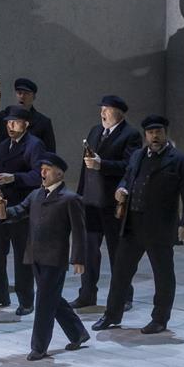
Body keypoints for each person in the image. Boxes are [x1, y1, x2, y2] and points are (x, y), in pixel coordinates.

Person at [100, 115, 184, 334]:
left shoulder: (180, 160)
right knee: (121, 272)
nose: (155, 136)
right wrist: (121, 188)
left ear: (165, 133)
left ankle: (160, 319)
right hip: (133, 225)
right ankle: (112, 314)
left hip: (160, 227)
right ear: (145, 135)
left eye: (158, 132)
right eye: (151, 133)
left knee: (163, 275)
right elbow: (128, 177)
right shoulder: (137, 155)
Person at [0, 152, 90, 361]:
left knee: (44, 302)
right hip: (35, 255)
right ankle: (78, 333)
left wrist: (79, 258)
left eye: (47, 170)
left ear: (59, 174)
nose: (42, 173)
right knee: (52, 298)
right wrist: (3, 212)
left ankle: (39, 347)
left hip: (54, 258)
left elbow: (79, 231)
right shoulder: (36, 195)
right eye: (42, 170)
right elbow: (20, 210)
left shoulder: (70, 199)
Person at [0, 77, 57, 292]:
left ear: (33, 96)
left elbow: (47, 163)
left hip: (22, 193)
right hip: (1, 191)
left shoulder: (41, 125)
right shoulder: (7, 118)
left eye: (25, 93)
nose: (21, 96)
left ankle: (25, 290)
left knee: (21, 245)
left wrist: (42, 190)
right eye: (18, 92)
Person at [0, 104, 46, 315]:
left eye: (15, 122)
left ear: (26, 124)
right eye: (8, 123)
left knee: (21, 255)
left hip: (20, 206)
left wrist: (14, 177)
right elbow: (0, 174)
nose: (10, 126)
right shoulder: (5, 144)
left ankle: (26, 300)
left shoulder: (34, 145)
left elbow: (38, 176)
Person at [74, 94, 143, 310]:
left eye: (107, 110)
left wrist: (102, 164)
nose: (102, 113)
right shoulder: (95, 131)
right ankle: (87, 294)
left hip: (113, 204)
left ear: (119, 113)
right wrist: (80, 195)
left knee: (117, 252)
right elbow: (85, 167)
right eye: (101, 109)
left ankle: (123, 296)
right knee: (89, 251)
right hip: (91, 201)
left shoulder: (130, 135)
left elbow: (129, 167)